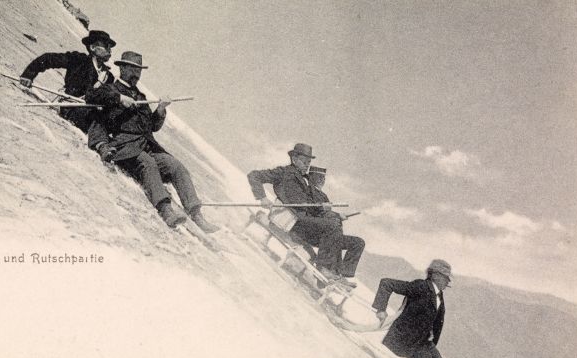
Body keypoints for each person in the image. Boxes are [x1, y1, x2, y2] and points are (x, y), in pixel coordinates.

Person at [86, 51, 218, 233]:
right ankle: (166, 210)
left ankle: (196, 214)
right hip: (124, 147)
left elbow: (152, 127)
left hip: (145, 146)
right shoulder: (111, 88)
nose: (136, 74)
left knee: (175, 165)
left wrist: (161, 109)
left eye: (138, 70)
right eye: (132, 69)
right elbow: (91, 96)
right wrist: (119, 98)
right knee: (147, 164)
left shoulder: (140, 96)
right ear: (122, 68)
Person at [247, 144, 359, 287]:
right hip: (292, 221)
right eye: (305, 162)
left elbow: (311, 205)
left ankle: (337, 274)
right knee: (332, 224)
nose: (307, 165)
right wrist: (262, 197)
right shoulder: (283, 172)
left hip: (305, 222)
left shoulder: (305, 181)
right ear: (294, 158)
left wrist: (330, 211)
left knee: (348, 234)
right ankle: (323, 269)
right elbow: (254, 176)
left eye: (309, 163)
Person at [19, 30, 118, 132]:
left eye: (110, 47)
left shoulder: (108, 76)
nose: (110, 50)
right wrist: (28, 75)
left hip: (91, 111)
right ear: (92, 47)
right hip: (70, 107)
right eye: (106, 46)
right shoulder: (79, 60)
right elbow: (48, 59)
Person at [307, 166, 365, 282]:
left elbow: (326, 215)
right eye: (319, 177)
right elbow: (313, 212)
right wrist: (337, 216)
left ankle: (342, 275)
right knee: (335, 235)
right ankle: (324, 268)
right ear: (311, 178)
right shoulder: (308, 191)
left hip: (328, 232)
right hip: (314, 232)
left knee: (358, 243)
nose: (322, 180)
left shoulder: (323, 196)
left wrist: (338, 216)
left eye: (323, 178)